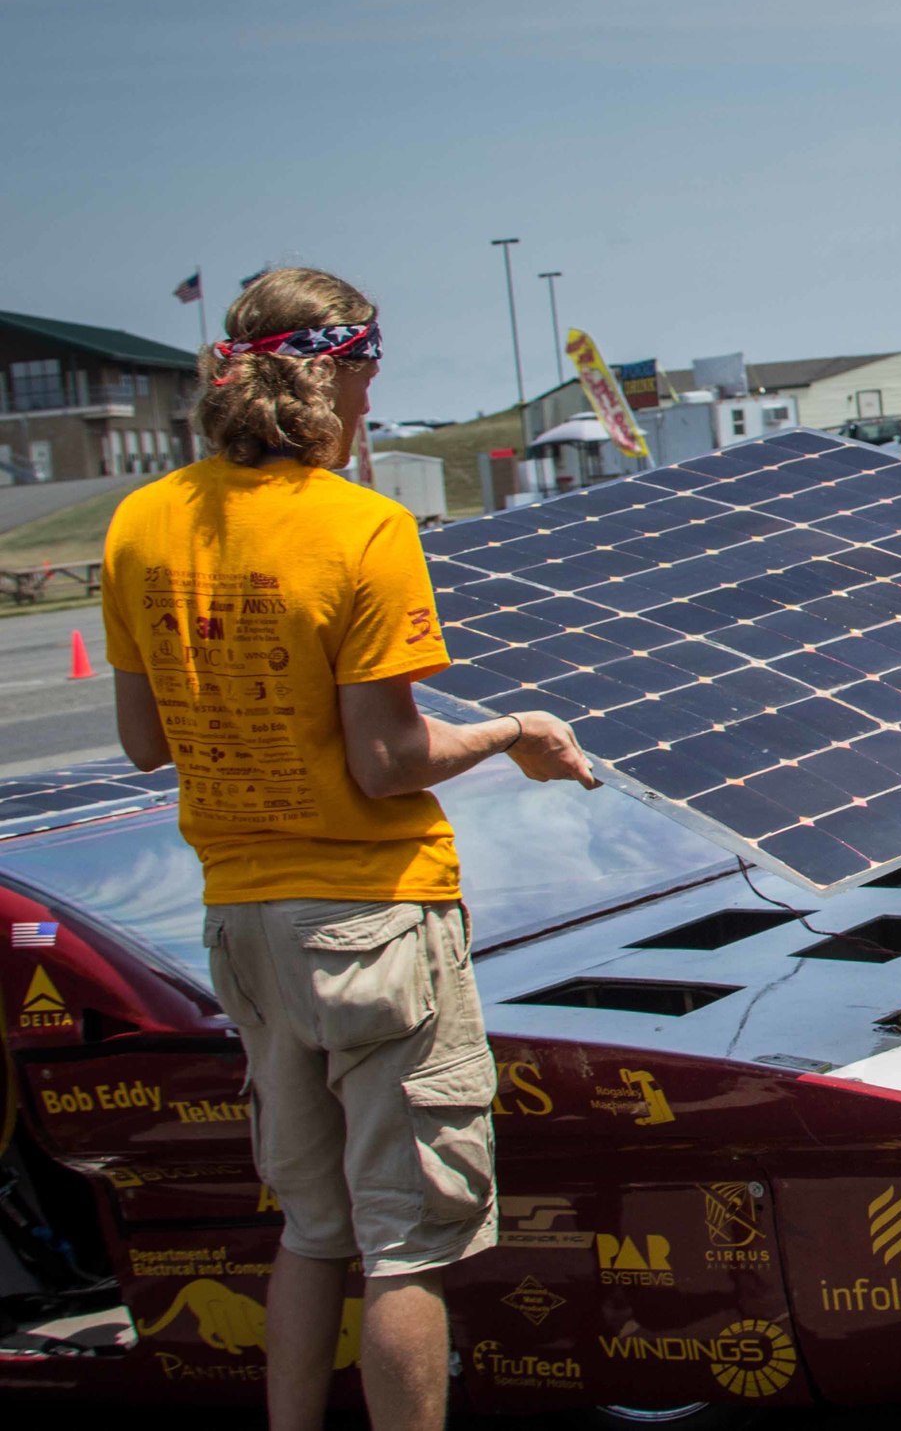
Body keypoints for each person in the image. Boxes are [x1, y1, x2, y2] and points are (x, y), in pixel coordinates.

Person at [101, 268, 599, 1431]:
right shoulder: (362, 526)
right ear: (342, 373)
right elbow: (386, 758)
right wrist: (516, 730)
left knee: (311, 1230)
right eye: (373, 367)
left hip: (241, 922)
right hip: (375, 915)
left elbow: (139, 742)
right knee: (404, 1248)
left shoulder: (142, 520)